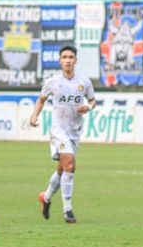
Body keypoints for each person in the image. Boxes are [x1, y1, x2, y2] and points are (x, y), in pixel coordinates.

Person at [29, 44, 96, 223]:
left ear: (75, 61)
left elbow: (92, 100)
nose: (67, 60)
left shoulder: (84, 82)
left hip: (75, 131)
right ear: (60, 60)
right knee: (71, 166)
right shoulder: (52, 82)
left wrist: (88, 107)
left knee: (63, 168)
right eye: (64, 57)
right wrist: (34, 115)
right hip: (58, 130)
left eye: (70, 57)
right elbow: (41, 99)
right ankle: (68, 209)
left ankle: (46, 197)